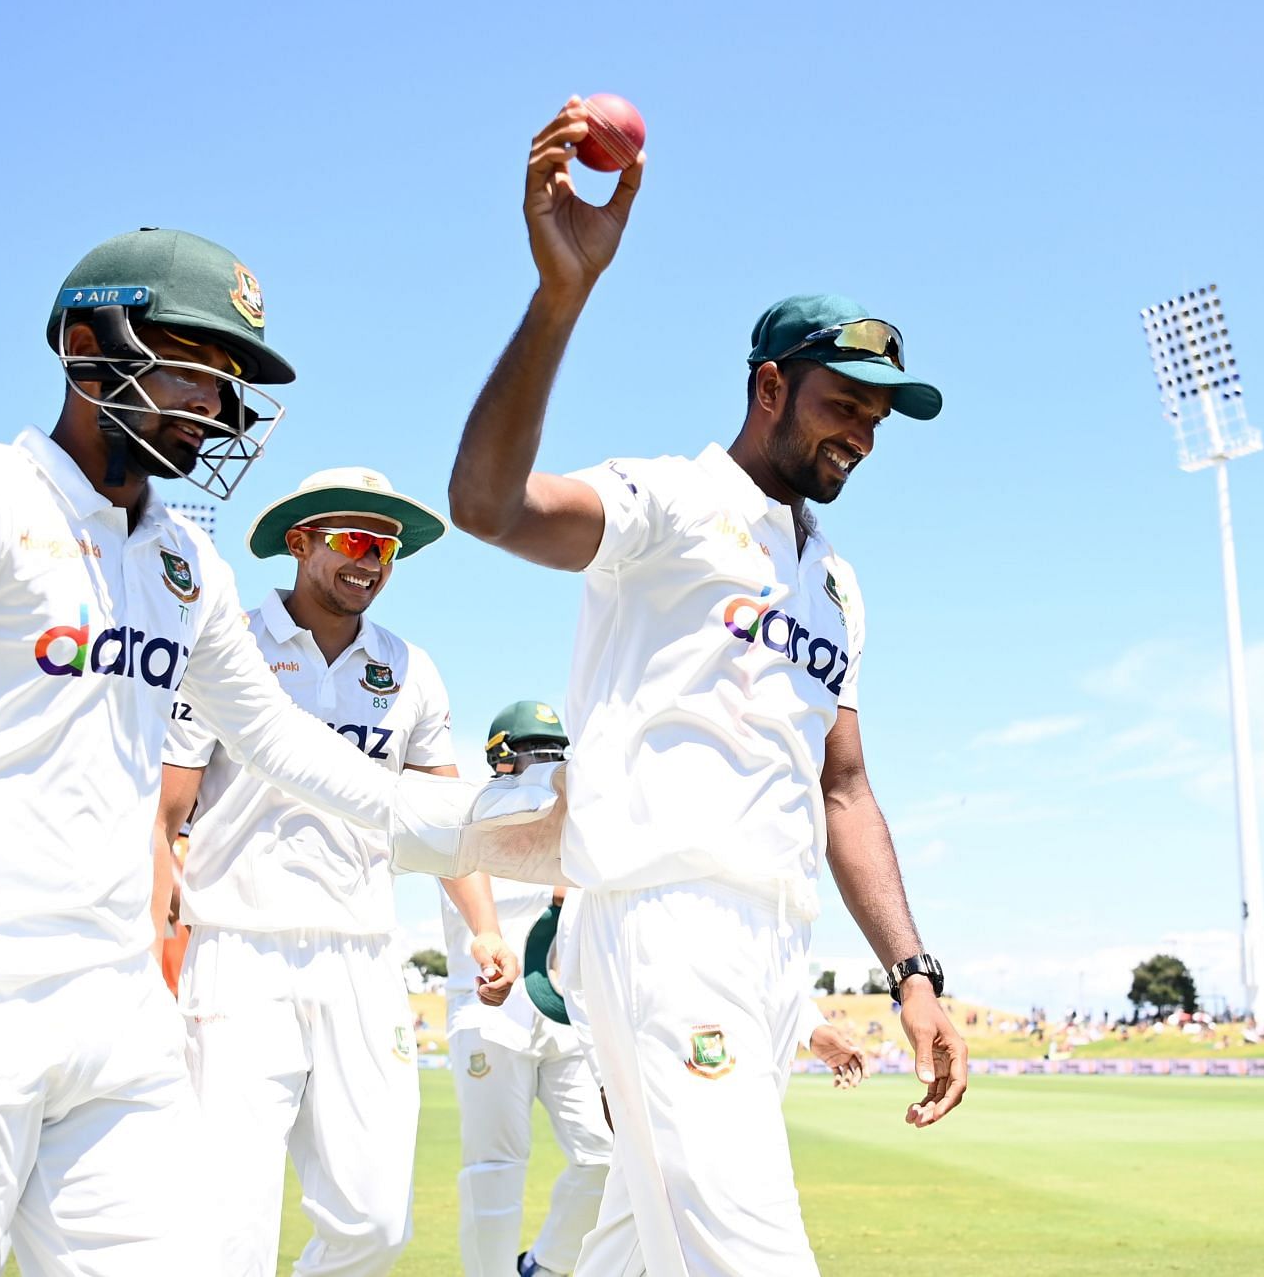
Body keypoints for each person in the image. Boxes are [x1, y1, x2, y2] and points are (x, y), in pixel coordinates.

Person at [0, 229, 438, 1275]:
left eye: (231, 378)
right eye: (197, 364)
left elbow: (276, 739)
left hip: (113, 1011)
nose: (216, 403)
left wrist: (468, 824)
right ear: (86, 343)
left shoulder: (183, 557)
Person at [442, 99, 971, 1275]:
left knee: (637, 1247)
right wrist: (559, 298)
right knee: (753, 1255)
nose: (863, 439)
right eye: (846, 405)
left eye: (879, 419)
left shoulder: (834, 583)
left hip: (774, 943)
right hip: (662, 916)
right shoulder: (672, 504)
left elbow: (845, 791)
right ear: (771, 386)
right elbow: (488, 504)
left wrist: (913, 973)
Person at [162, 467, 518, 1277]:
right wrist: (150, 940)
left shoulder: (410, 669)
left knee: (376, 1220)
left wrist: (485, 927)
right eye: (354, 540)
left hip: (362, 952)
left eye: (385, 547)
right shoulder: (227, 644)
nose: (371, 562)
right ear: (299, 543)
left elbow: (440, 821)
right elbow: (165, 812)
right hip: (237, 949)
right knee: (223, 1230)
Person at [439, 701, 610, 1277]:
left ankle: (542, 1265)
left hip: (562, 1012)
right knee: (494, 1167)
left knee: (604, 1156)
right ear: (501, 760)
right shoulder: (469, 820)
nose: (550, 765)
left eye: (558, 754)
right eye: (538, 754)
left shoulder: (582, 833)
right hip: (490, 1010)